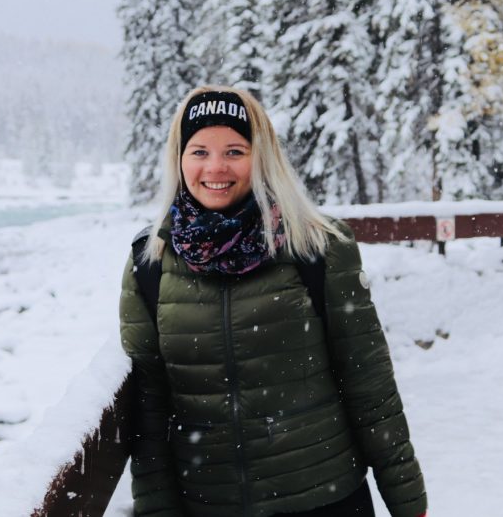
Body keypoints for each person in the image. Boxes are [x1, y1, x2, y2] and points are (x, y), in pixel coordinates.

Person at [119, 85, 427, 517]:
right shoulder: (150, 262)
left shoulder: (317, 247)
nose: (216, 167)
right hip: (210, 505)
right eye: (199, 151)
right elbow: (148, 416)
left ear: (262, 156)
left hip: (326, 500)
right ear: (179, 158)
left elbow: (369, 384)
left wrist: (408, 501)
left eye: (234, 150)